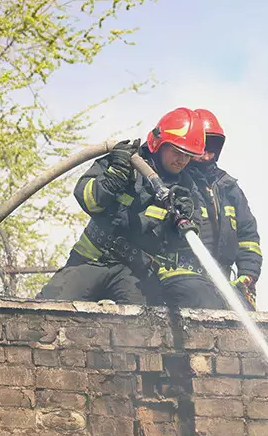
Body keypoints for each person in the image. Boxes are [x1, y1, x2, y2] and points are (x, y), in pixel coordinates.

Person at [39, 107, 227, 309]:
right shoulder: (125, 160)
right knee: (49, 309)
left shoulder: (187, 187)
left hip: (135, 272)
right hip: (92, 259)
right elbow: (87, 200)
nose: (181, 160)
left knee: (147, 327)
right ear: (159, 143)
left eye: (188, 155)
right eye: (177, 151)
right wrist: (112, 179)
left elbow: (185, 240)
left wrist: (181, 218)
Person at [186, 109, 263, 309]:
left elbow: (248, 236)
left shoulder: (228, 187)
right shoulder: (177, 182)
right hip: (184, 282)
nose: (205, 156)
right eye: (201, 148)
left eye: (211, 149)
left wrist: (248, 276)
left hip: (224, 283)